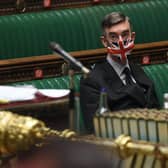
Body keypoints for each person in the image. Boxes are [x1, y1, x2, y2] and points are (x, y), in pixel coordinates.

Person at [80, 12, 160, 133]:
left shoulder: (138, 70)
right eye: (113, 37)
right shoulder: (92, 80)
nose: (121, 41)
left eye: (125, 34)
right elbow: (96, 130)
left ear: (132, 37)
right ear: (104, 41)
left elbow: (157, 113)